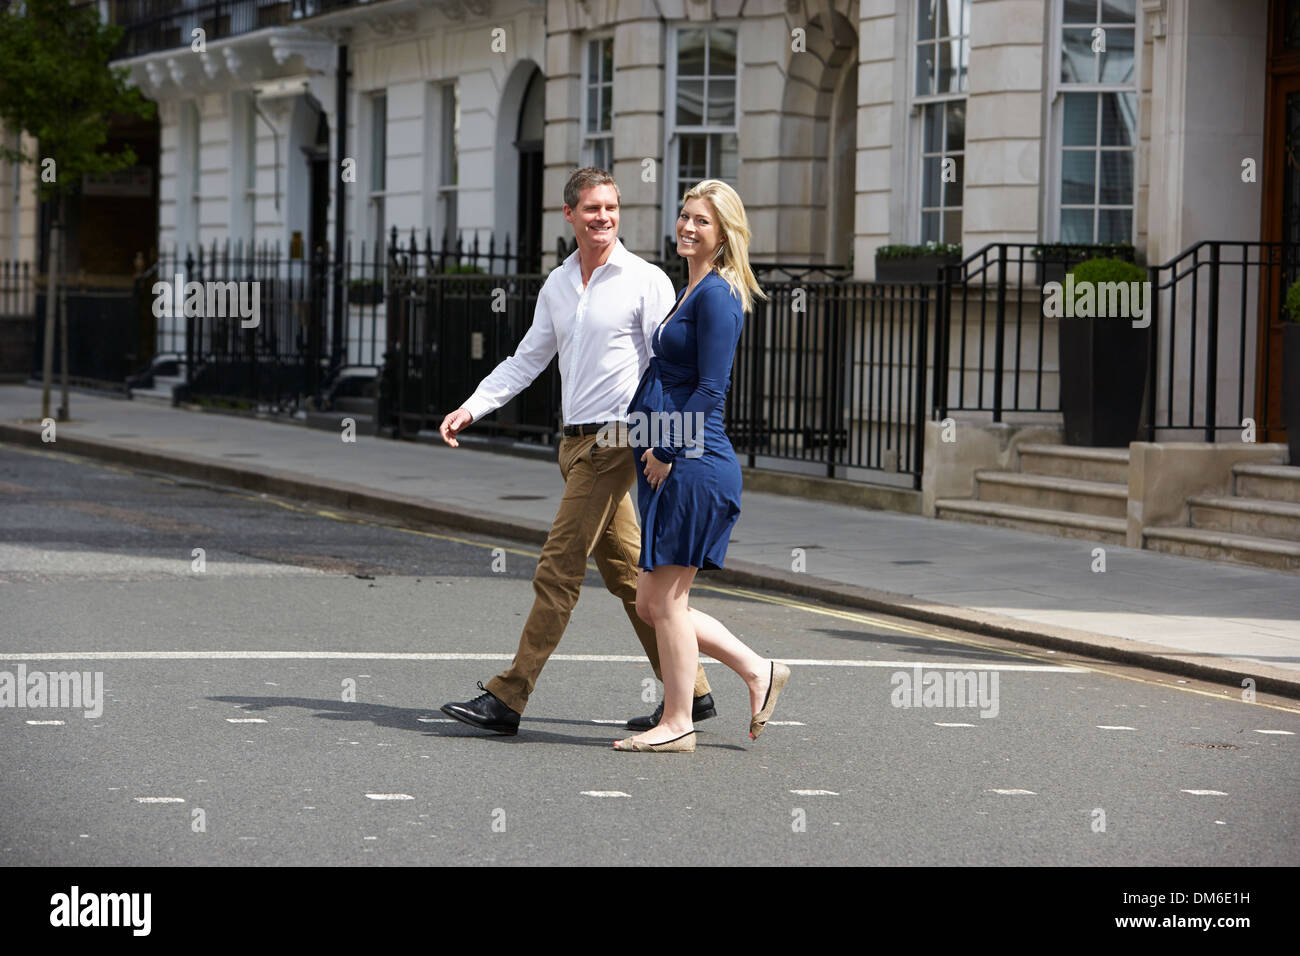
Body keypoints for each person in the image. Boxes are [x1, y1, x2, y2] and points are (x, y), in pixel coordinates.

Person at [438, 168, 716, 735]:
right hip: (574, 441)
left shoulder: (644, 279)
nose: (604, 217)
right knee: (628, 576)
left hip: (617, 439)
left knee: (559, 565)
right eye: (592, 208)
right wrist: (472, 406)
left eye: (612, 207)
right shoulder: (559, 284)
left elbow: (671, 365)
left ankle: (508, 698)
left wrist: (671, 442)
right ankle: (695, 692)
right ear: (569, 214)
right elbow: (526, 359)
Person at [613, 180, 790, 754]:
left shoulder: (717, 296)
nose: (688, 227)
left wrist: (666, 449)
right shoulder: (688, 289)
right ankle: (757, 670)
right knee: (653, 602)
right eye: (685, 216)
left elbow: (712, 390)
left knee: (663, 602)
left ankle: (677, 722)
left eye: (703, 222)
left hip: (694, 462)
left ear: (724, 234)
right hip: (671, 457)